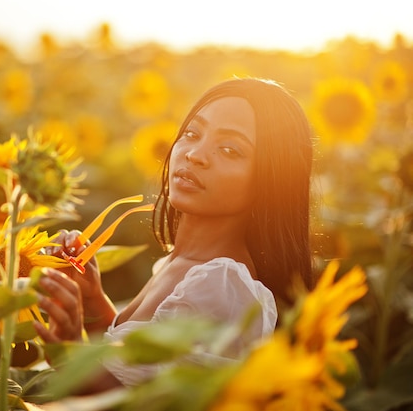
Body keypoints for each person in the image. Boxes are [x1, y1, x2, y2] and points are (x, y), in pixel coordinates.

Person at [32, 77, 315, 393]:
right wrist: (94, 304)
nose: (196, 154)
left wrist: (73, 359)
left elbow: (157, 405)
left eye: (229, 149)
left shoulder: (221, 286)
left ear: (271, 181)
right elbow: (136, 369)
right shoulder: (181, 265)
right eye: (192, 133)